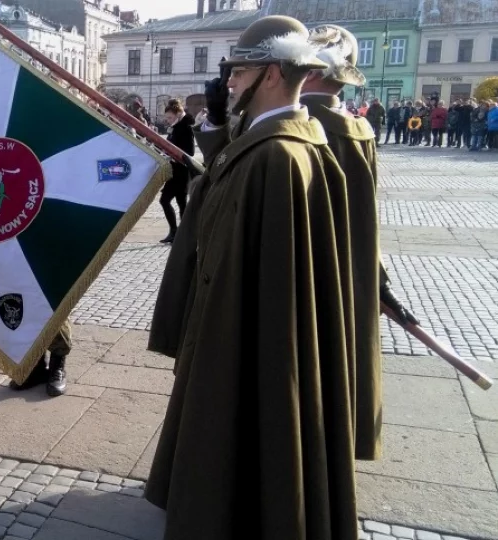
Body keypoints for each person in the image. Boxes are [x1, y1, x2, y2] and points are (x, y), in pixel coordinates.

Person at [145, 16, 357, 540]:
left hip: (243, 328)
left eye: (239, 70)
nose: (230, 81)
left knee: (242, 418)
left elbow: (272, 281)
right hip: (228, 313)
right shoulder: (272, 139)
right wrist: (216, 122)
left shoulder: (280, 155)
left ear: (270, 74)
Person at [303, 24, 418, 461]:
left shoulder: (300, 123)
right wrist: (378, 279)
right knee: (337, 352)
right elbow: (364, 221)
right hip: (346, 266)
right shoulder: (358, 127)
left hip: (302, 263)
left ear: (311, 72)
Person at [158, 99, 194, 243]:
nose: (167, 120)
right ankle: (179, 233)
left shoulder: (185, 127)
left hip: (181, 172)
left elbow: (190, 151)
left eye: (170, 117)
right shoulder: (176, 126)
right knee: (181, 204)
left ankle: (178, 232)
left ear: (178, 114)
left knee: (166, 200)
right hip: (175, 172)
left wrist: (172, 153)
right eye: (166, 118)